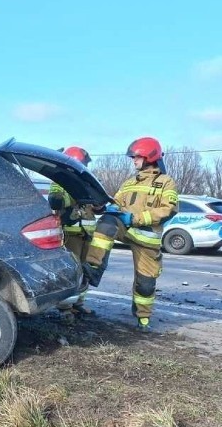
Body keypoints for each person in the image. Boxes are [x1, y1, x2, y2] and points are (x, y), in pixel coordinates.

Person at [82, 137, 178, 332]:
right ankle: (94, 267)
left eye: (136, 157)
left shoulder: (165, 182)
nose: (133, 161)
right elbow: (116, 203)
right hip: (125, 229)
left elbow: (169, 209)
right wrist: (103, 207)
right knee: (107, 223)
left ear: (149, 156)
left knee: (146, 284)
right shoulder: (129, 182)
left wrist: (135, 218)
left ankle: (143, 319)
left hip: (146, 238)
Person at [49, 146, 97, 316]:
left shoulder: (87, 181)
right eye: (82, 163)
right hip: (71, 234)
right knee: (71, 271)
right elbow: (55, 201)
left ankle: (79, 302)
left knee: (86, 270)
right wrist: (73, 193)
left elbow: (95, 206)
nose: (85, 167)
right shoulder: (59, 182)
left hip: (88, 234)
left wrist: (98, 203)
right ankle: (65, 307)